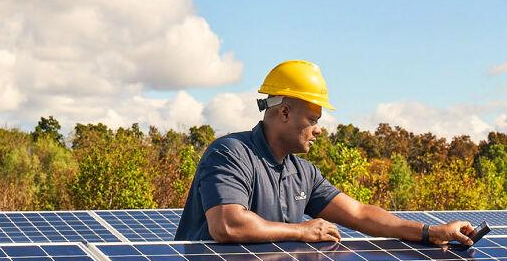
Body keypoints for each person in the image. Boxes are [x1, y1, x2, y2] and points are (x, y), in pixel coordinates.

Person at [175, 60, 475, 245]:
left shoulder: (302, 173)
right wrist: (301, 231)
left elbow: (359, 213)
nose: (319, 129)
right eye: (313, 120)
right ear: (284, 113)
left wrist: (431, 231)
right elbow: (227, 225)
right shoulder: (231, 154)